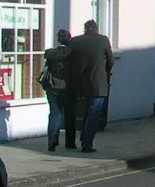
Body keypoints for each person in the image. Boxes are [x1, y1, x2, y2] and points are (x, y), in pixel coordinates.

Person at [67, 19, 115, 153]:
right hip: (98, 83)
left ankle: (78, 140)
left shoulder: (75, 41)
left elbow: (68, 60)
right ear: (95, 28)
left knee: (82, 112)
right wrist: (105, 72)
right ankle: (86, 144)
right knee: (93, 114)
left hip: (80, 83)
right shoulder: (103, 40)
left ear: (85, 28)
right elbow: (111, 61)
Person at [40, 30, 74, 152]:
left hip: (51, 87)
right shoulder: (71, 54)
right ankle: (70, 142)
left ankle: (52, 142)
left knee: (54, 114)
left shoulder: (51, 53)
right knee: (69, 114)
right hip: (66, 88)